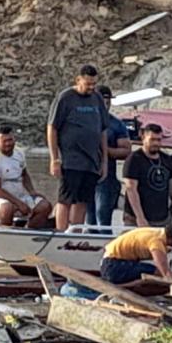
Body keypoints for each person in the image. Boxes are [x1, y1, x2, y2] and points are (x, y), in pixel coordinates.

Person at [47, 64, 109, 230]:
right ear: (78, 80)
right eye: (88, 84)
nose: (91, 87)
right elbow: (52, 128)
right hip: (70, 160)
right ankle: (61, 233)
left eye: (94, 84)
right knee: (66, 199)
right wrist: (55, 159)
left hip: (91, 161)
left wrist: (104, 162)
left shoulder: (97, 99)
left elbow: (102, 130)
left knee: (83, 200)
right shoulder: (65, 97)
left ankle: (75, 233)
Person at [0, 124, 53, 228]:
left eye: (10, 140)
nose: (8, 144)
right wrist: (19, 204)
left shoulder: (19, 153)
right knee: (7, 208)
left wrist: (32, 192)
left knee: (45, 206)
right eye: (4, 141)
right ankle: (5, 233)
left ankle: (30, 230)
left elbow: (24, 175)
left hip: (19, 196)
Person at [85, 85, 131, 228]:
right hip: (85, 175)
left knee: (102, 217)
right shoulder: (83, 120)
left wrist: (105, 150)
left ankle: (105, 245)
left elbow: (126, 150)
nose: (105, 104)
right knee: (89, 218)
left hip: (106, 179)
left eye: (108, 100)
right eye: (101, 100)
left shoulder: (117, 124)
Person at [99, 220, 172, 285]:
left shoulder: (156, 232)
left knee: (151, 271)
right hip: (112, 267)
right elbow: (165, 272)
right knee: (156, 273)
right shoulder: (156, 242)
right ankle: (121, 287)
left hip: (109, 262)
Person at [123, 123, 172, 227]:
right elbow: (131, 189)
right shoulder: (134, 159)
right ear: (143, 137)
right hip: (136, 218)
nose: (156, 143)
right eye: (152, 139)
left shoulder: (166, 159)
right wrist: (140, 217)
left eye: (159, 140)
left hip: (162, 218)